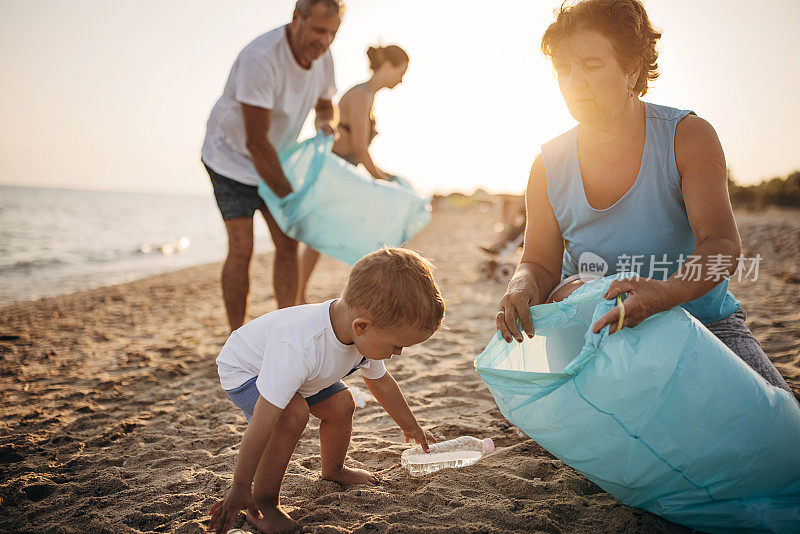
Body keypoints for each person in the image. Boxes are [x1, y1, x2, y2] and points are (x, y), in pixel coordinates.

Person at [496, 0, 790, 392]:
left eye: (592, 65)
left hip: (703, 322)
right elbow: (538, 262)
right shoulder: (546, 163)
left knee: (780, 430)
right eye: (563, 69)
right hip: (596, 331)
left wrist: (666, 293)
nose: (574, 82)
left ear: (632, 68)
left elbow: (721, 245)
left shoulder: (688, 136)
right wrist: (520, 287)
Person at [208, 248, 445, 534]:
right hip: (247, 370)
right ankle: (263, 503)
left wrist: (411, 426)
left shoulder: (362, 333)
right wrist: (241, 485)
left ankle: (333, 470)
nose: (399, 353)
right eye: (396, 345)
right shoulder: (300, 347)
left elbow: (381, 383)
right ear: (361, 327)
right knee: (292, 414)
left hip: (305, 375)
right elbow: (262, 422)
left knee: (341, 404)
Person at [201, 0, 343, 331]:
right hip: (230, 157)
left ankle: (287, 329)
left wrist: (326, 122)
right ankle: (235, 335)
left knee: (287, 243)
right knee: (242, 248)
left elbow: (326, 104)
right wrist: (290, 198)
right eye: (319, 30)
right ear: (297, 18)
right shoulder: (260, 59)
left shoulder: (324, 57)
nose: (325, 41)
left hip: (274, 157)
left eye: (332, 34)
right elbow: (256, 142)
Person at [296, 44, 410, 304]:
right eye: (401, 72)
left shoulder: (369, 95)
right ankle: (298, 295)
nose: (402, 80)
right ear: (388, 66)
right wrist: (381, 179)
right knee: (316, 234)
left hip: (346, 168)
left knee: (323, 233)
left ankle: (303, 294)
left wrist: (383, 175)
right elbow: (359, 147)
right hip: (334, 167)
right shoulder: (361, 95)